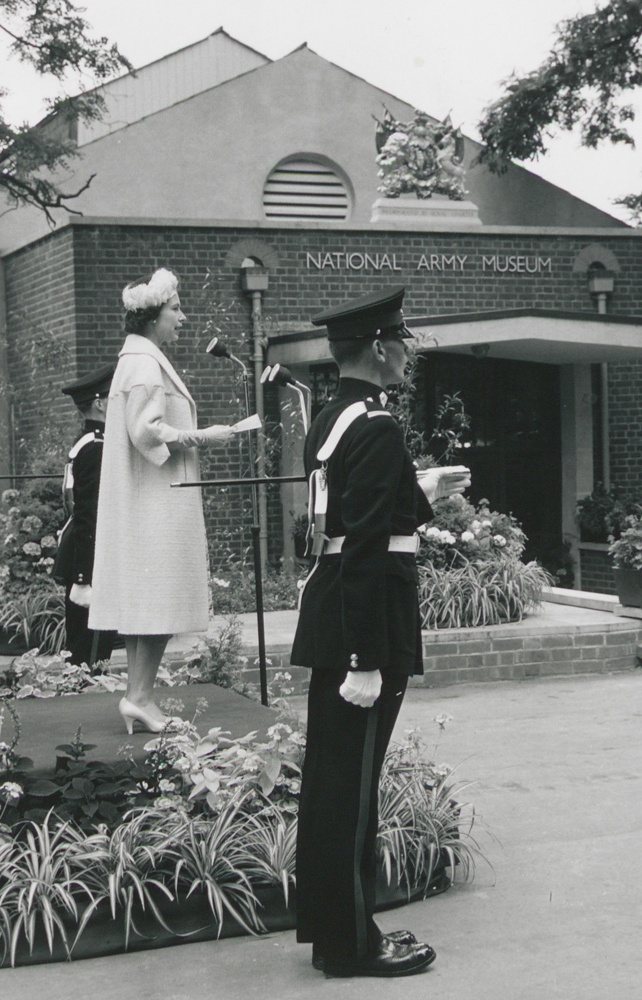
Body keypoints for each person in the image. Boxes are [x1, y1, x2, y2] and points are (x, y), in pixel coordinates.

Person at [290, 286, 470, 978]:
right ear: (378, 347)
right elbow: (364, 541)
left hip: (337, 611)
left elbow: (357, 511)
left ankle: (335, 931)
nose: (406, 356)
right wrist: (365, 659)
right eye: (402, 344)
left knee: (337, 783)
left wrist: (422, 485)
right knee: (350, 788)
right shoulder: (375, 426)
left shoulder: (338, 418)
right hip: (362, 626)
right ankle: (351, 945)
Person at [88, 268, 233, 734]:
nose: (182, 317)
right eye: (175, 309)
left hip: (145, 499)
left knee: (144, 604)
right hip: (154, 502)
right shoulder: (145, 364)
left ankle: (138, 695)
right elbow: (146, 431)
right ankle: (141, 696)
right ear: (152, 317)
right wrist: (203, 437)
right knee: (155, 601)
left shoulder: (136, 359)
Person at [53, 363, 119, 666]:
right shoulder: (96, 448)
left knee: (87, 652)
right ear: (100, 403)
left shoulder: (90, 442)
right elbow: (89, 516)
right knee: (89, 658)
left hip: (86, 554)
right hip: (91, 559)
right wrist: (84, 577)